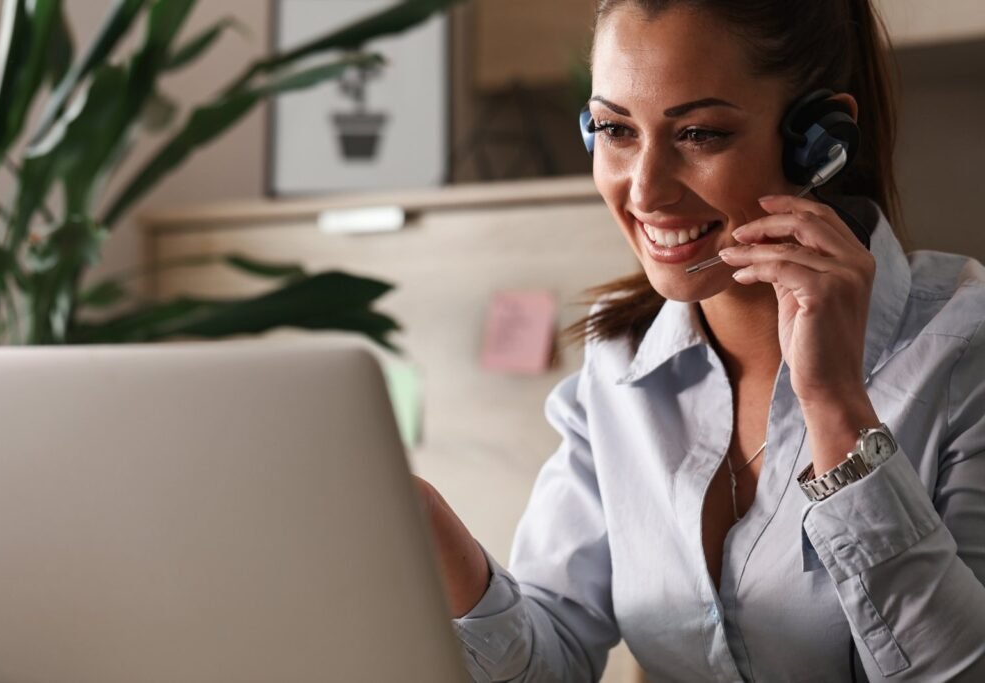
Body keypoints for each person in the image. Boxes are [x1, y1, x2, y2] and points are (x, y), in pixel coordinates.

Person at [416, 0, 985, 680]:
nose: (645, 190)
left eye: (700, 134)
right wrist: (417, 518)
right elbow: (549, 662)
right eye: (615, 129)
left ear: (820, 139)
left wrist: (836, 404)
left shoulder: (962, 351)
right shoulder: (619, 369)